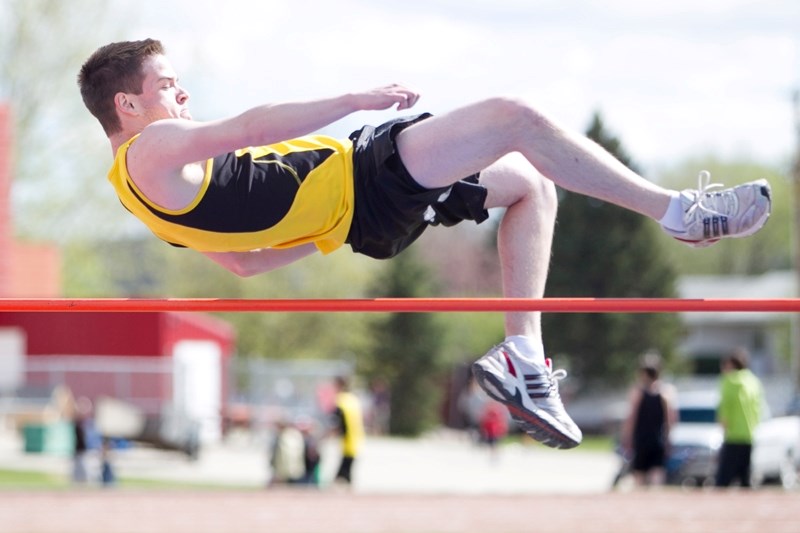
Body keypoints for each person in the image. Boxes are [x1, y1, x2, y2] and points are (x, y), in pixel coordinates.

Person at [77, 39, 772, 450]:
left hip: (362, 216)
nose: (183, 92)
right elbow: (252, 126)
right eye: (166, 84)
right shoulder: (152, 147)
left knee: (534, 187)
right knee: (514, 118)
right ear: (128, 108)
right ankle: (678, 210)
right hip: (366, 176)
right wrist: (356, 98)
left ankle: (524, 357)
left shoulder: (140, 199)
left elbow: (242, 260)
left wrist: (335, 230)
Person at [620, 353, 677, 487]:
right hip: (658, 438)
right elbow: (671, 419)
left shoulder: (639, 392)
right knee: (657, 474)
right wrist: (668, 439)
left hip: (642, 438)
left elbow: (632, 417)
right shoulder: (666, 393)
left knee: (639, 475)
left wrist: (626, 437)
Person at [715, 348, 764, 488]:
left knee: (723, 480)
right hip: (749, 434)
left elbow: (725, 407)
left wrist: (722, 427)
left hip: (732, 435)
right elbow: (758, 407)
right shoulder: (754, 381)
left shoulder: (728, 381)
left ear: (731, 365)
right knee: (744, 479)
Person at [329, 376, 364, 486]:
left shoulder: (341, 400)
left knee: (344, 470)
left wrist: (331, 434)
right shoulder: (353, 399)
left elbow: (337, 421)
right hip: (356, 437)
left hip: (346, 438)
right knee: (348, 467)